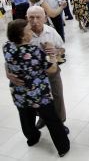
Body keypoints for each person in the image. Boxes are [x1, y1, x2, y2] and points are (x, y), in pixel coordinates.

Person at [3, 19, 70, 157]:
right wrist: (52, 55)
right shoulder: (33, 51)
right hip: (39, 94)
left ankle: (32, 138)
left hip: (19, 93)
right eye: (28, 30)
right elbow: (51, 70)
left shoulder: (7, 46)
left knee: (25, 117)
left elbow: (7, 63)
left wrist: (8, 73)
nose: (31, 31)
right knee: (52, 119)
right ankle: (63, 147)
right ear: (22, 35)